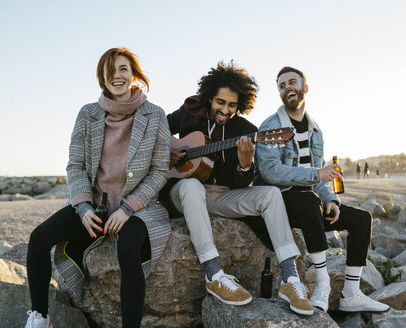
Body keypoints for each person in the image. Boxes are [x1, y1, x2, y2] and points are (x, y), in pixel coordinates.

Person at [24, 48, 171, 328]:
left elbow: (159, 171)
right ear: (102, 78)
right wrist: (82, 207)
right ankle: (40, 317)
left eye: (124, 69)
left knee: (128, 248)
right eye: (110, 71)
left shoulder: (155, 115)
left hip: (139, 207)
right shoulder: (88, 114)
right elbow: (76, 165)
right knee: (39, 238)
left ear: (134, 74)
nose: (117, 75)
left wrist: (128, 209)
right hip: (95, 205)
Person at [166, 61, 311, 314]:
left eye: (232, 105)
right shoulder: (189, 112)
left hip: (221, 196)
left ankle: (290, 277)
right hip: (183, 193)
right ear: (210, 97)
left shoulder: (245, 131)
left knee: (271, 194)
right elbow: (157, 130)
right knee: (191, 185)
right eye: (220, 103)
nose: (225, 110)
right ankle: (213, 274)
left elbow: (240, 183)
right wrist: (169, 150)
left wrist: (245, 164)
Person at [254, 66, 389, 313]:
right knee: (307, 199)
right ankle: (322, 283)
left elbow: (321, 175)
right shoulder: (270, 127)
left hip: (310, 206)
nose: (287, 88)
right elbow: (270, 172)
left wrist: (331, 200)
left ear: (305, 88)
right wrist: (316, 176)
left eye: (292, 82)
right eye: (282, 86)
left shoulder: (316, 131)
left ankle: (351, 293)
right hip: (278, 202)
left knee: (362, 219)